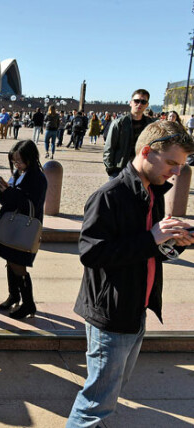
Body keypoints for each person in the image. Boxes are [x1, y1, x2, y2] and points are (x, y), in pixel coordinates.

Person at [66, 121, 194, 427]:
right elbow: (91, 253)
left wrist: (175, 244)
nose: (176, 173)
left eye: (182, 166)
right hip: (111, 314)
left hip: (135, 308)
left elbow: (146, 252)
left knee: (108, 394)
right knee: (96, 404)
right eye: (172, 163)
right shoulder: (110, 195)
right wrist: (151, 238)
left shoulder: (152, 192)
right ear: (148, 152)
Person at [0, 141, 47, 319]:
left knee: (19, 265)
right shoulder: (19, 173)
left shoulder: (37, 177)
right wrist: (3, 191)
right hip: (12, 226)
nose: (17, 164)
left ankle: (28, 303)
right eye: (14, 161)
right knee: (11, 261)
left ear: (30, 158)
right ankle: (14, 295)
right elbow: (9, 199)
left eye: (20, 161)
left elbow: (29, 203)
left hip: (24, 228)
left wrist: (9, 192)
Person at [103, 89, 152, 178]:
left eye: (143, 102)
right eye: (136, 101)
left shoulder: (150, 125)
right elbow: (109, 148)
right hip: (120, 170)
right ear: (131, 103)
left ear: (147, 105)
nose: (139, 104)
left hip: (141, 170)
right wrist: (111, 170)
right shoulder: (118, 123)